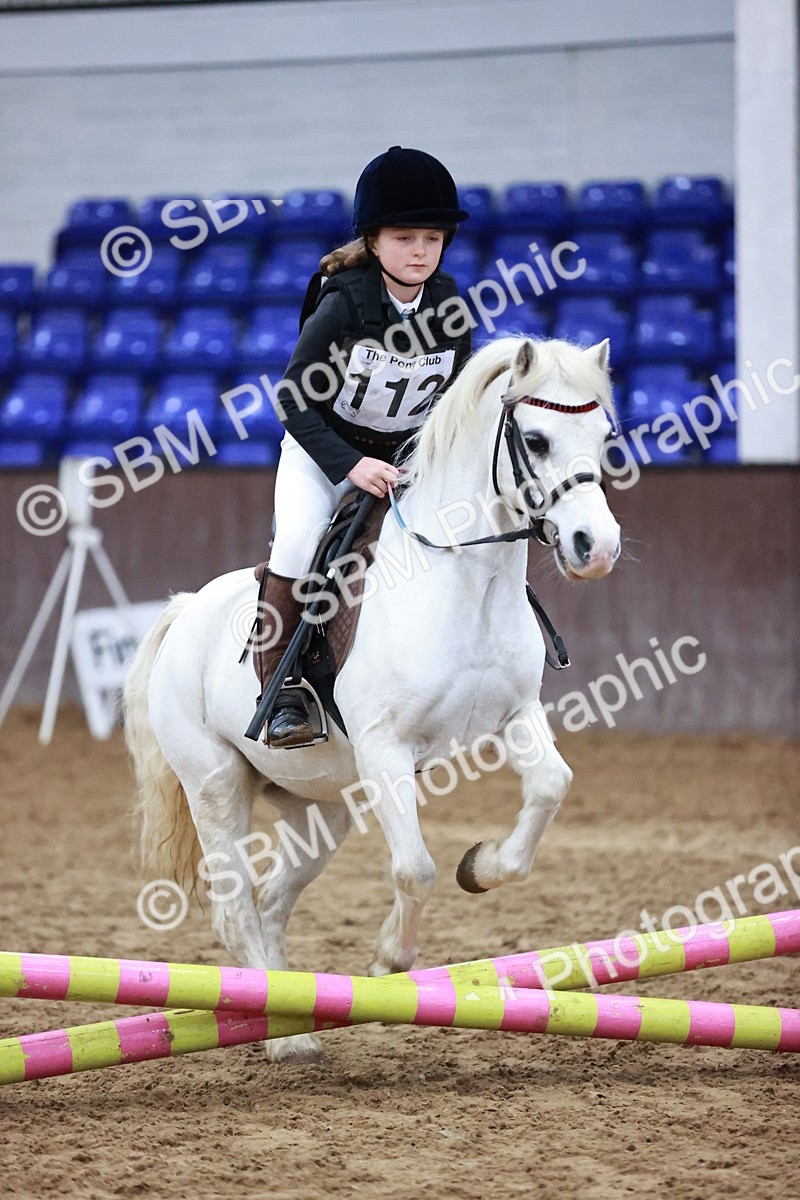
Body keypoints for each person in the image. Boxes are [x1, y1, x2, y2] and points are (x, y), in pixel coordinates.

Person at [254, 145, 472, 747]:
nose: (422, 252)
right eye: (406, 238)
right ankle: (282, 693)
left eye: (433, 238)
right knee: (298, 540)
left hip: (402, 462)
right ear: (374, 242)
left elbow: (455, 406)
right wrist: (350, 465)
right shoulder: (343, 301)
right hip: (324, 452)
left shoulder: (451, 308)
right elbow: (293, 400)